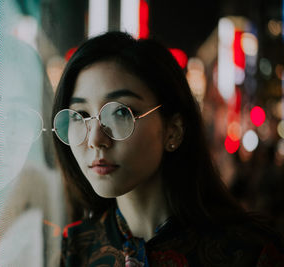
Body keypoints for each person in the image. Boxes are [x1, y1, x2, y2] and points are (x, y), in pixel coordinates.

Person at [51, 32, 284, 266]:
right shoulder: (77, 247)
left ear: (173, 130)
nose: (95, 139)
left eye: (121, 112)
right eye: (80, 115)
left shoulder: (247, 253)